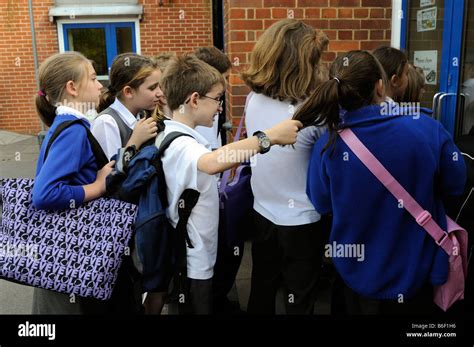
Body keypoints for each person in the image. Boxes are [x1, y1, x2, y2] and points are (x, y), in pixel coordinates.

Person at [294, 50, 466, 314]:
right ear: (380, 85)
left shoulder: (326, 145)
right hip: (417, 273)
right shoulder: (427, 128)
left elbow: (321, 203)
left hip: (353, 275)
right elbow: (455, 185)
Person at [158, 54, 302, 314]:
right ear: (193, 100)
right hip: (193, 262)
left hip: (193, 255)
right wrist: (269, 137)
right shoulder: (181, 145)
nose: (220, 107)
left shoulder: (170, 132)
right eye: (217, 99)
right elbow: (212, 163)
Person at [241, 18, 329, 314]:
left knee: (262, 286)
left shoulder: (253, 98)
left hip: (262, 208)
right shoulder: (314, 109)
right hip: (302, 220)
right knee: (300, 297)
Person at [31, 51, 115, 314]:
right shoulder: (73, 131)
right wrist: (98, 186)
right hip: (72, 250)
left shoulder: (65, 125)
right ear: (72, 88)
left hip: (63, 247)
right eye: (93, 78)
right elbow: (44, 194)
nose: (100, 84)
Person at [92, 53, 160, 160]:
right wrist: (135, 142)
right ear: (128, 91)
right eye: (152, 88)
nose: (160, 93)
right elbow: (110, 173)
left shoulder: (142, 115)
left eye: (159, 86)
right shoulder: (106, 122)